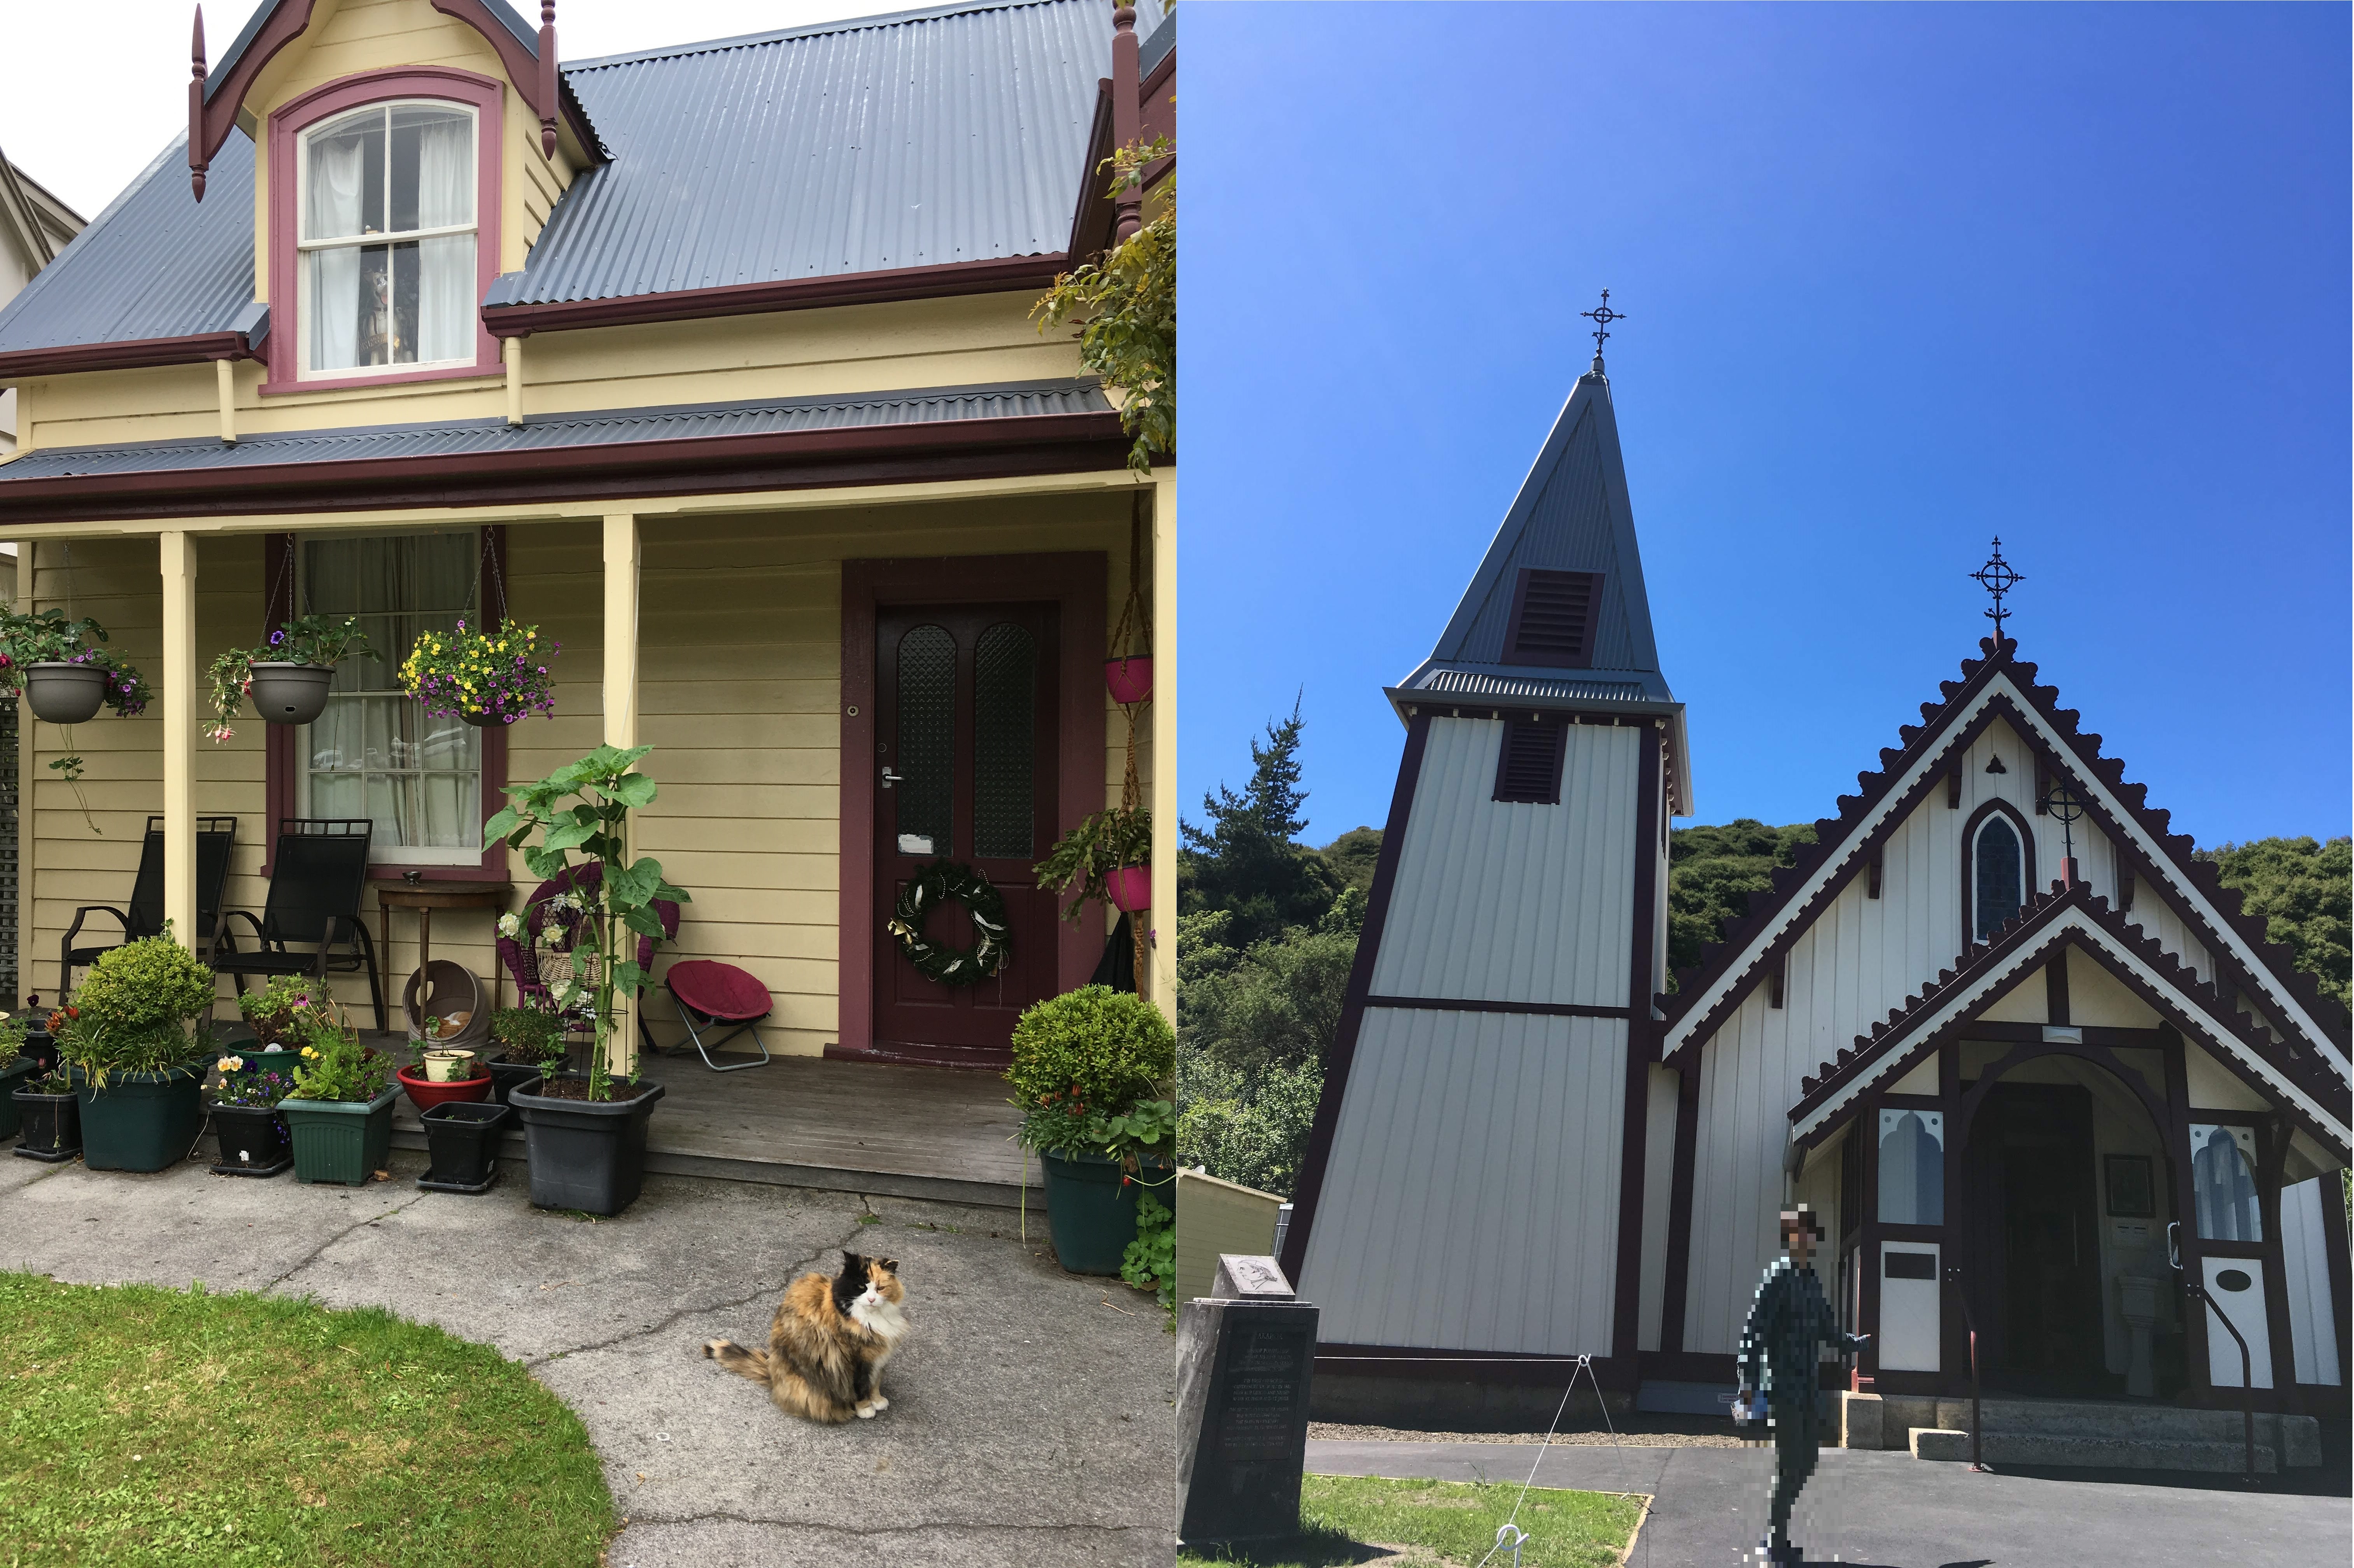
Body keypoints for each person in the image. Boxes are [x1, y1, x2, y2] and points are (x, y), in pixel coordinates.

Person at [1735, 1205, 1866, 1566]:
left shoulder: (1810, 1281)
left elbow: (1827, 1329)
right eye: (1799, 1231)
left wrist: (1854, 1343)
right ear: (1790, 1237)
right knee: (1790, 1463)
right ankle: (1774, 1542)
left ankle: (1776, 1535)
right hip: (1782, 1388)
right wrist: (1749, 1383)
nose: (1805, 1238)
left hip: (1808, 1388)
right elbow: (1754, 1332)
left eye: (1810, 1231)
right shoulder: (1778, 1277)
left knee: (1806, 1462)